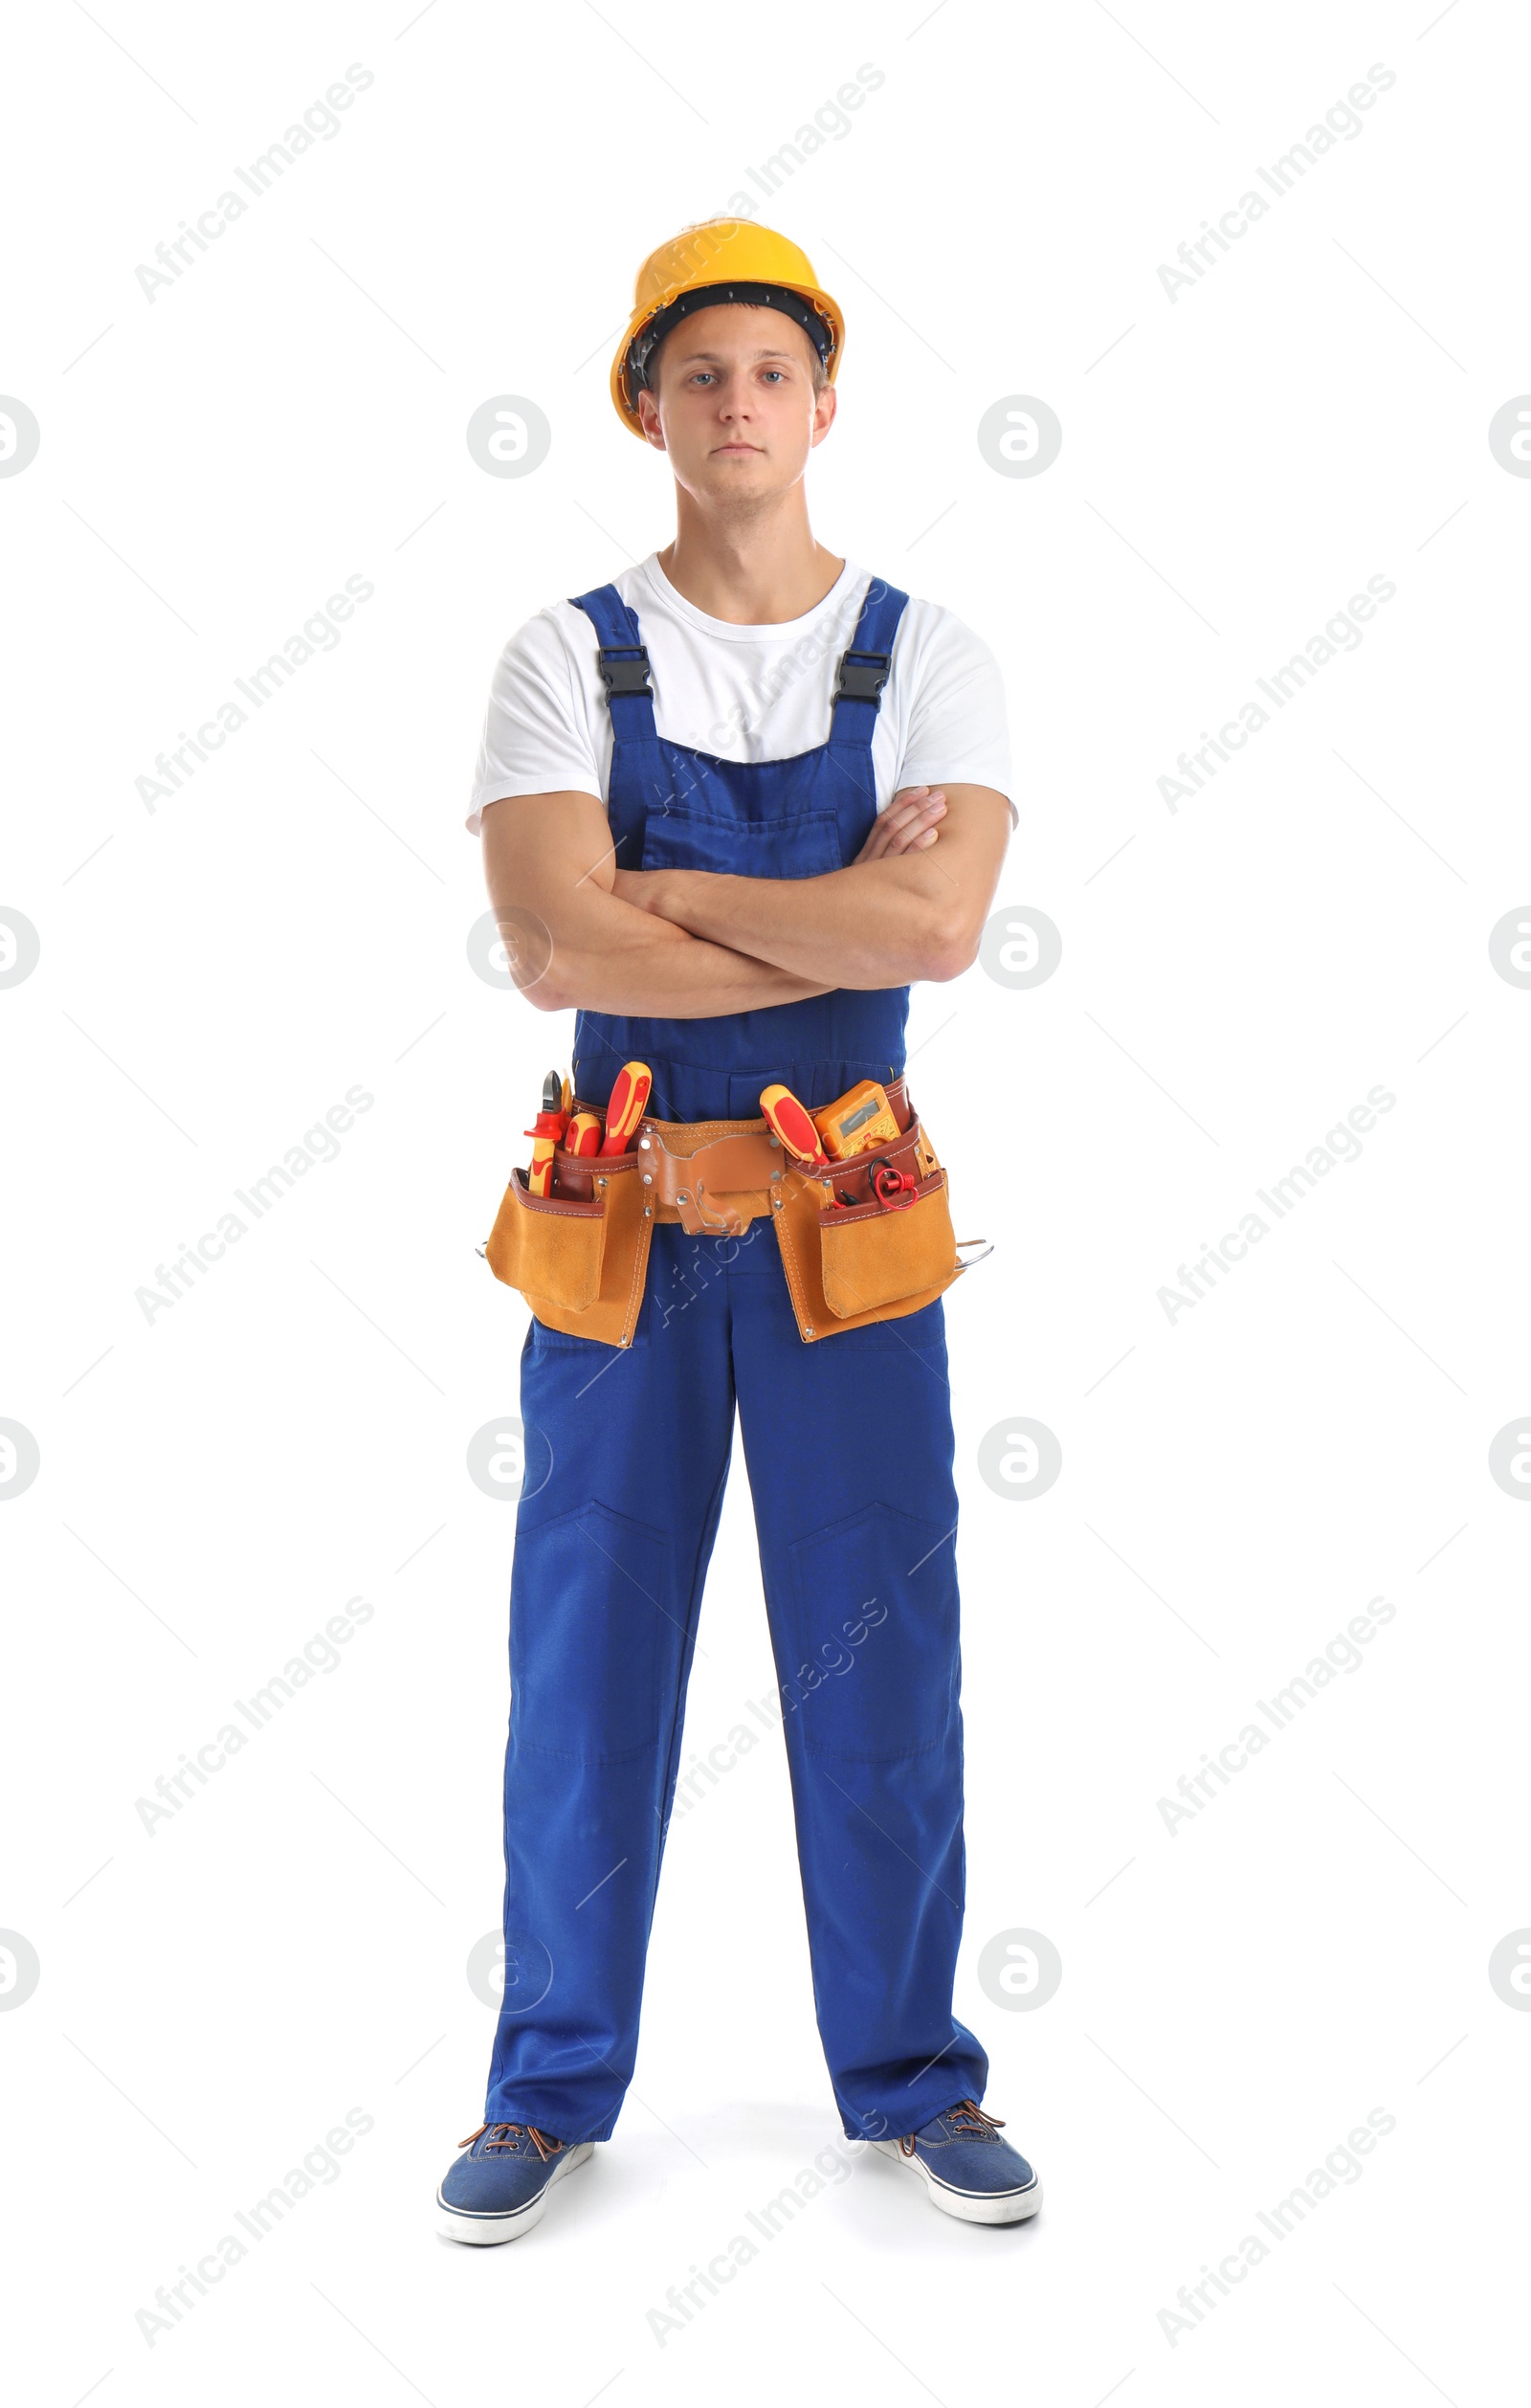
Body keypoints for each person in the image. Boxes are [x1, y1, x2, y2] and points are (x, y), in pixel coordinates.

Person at [438, 218, 1039, 2243]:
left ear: (823, 400)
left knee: (877, 1641)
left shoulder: (927, 651)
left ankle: (910, 2075)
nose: (734, 407)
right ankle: (544, 2088)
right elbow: (543, 946)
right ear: (644, 406)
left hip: (844, 1241)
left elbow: (937, 931)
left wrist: (661, 894)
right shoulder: (560, 653)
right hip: (618, 1233)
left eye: (768, 372)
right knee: (585, 1647)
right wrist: (791, 913)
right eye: (695, 376)